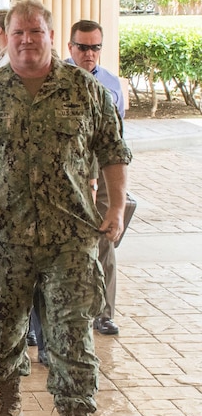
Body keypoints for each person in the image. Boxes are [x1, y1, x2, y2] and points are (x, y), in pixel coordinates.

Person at [0, 0, 132, 416]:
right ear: (5, 37)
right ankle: (8, 402)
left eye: (36, 32)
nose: (27, 40)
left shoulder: (85, 92)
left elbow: (113, 152)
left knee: (72, 337)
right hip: (1, 243)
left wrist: (117, 207)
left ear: (51, 37)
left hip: (71, 239)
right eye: (18, 32)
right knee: (2, 332)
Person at [67, 19, 129, 337]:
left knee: (106, 240)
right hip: (68, 175)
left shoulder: (112, 84)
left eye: (95, 48)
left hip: (101, 173)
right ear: (70, 47)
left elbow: (117, 141)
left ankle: (103, 312)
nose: (89, 54)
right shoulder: (55, 80)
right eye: (83, 47)